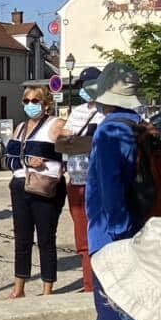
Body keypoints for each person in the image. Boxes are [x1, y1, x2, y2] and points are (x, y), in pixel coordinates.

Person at [82, 64, 161, 320]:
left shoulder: (108, 131)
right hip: (145, 227)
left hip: (112, 237)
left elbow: (110, 187)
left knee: (112, 312)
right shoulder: (140, 126)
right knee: (139, 308)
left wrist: (118, 232)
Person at [3, 84, 67, 298]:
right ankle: (18, 287)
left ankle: (47, 288)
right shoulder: (20, 128)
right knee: (22, 238)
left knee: (46, 239)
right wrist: (26, 161)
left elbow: (69, 150)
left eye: (35, 101)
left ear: (46, 103)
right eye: (26, 101)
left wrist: (44, 161)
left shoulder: (55, 124)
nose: (30, 105)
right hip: (20, 186)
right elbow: (7, 159)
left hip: (44, 187)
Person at [56, 68, 107, 294]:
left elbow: (92, 143)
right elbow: (61, 140)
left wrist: (76, 141)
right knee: (82, 236)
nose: (86, 88)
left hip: (99, 179)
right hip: (76, 179)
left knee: (101, 233)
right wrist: (75, 141)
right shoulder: (77, 111)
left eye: (91, 83)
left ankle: (101, 283)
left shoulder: (108, 112)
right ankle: (88, 283)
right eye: (83, 84)